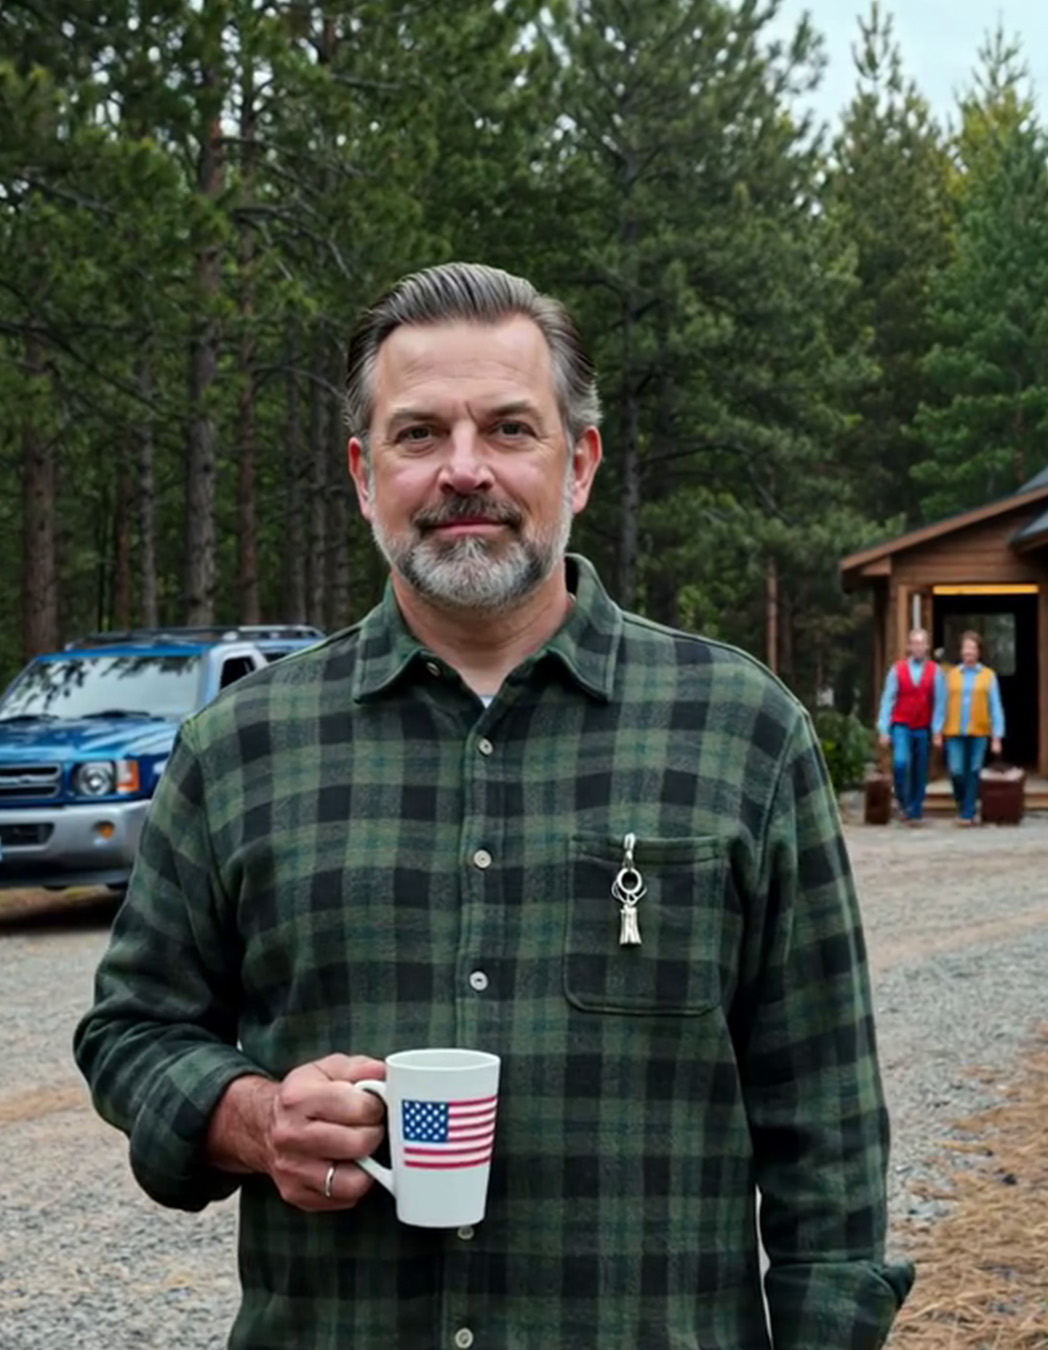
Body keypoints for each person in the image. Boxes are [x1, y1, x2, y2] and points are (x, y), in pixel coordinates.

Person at [74, 262, 913, 1349]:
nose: (464, 470)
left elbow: (827, 1123)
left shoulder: (742, 732)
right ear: (364, 474)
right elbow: (132, 1029)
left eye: (510, 429)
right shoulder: (241, 747)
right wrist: (249, 1118)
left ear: (581, 464)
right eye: (419, 434)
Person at [935, 629, 1005, 825]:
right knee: (957, 771)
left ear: (978, 652)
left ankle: (968, 812)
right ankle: (961, 801)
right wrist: (937, 730)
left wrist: (997, 737)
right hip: (954, 731)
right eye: (966, 648)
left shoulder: (988, 676)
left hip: (979, 731)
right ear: (961, 651)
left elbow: (995, 707)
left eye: (972, 648)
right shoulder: (950, 675)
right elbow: (941, 704)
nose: (969, 652)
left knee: (974, 771)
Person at [876, 627, 944, 825]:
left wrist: (937, 730)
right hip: (901, 725)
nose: (918, 647)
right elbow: (888, 700)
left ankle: (915, 809)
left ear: (927, 647)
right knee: (901, 763)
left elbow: (940, 703)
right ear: (909, 646)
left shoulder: (935, 671)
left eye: (921, 643)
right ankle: (903, 800)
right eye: (914, 643)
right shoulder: (897, 670)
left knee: (920, 769)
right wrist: (883, 729)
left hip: (922, 726)